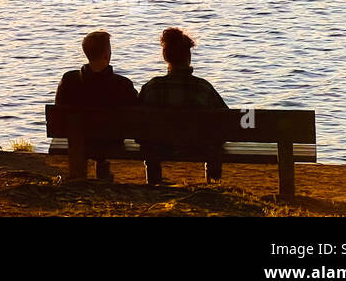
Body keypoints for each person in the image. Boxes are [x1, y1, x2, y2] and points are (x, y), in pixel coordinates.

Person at [138, 27, 228, 186]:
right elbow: (226, 118)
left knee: (149, 141)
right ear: (189, 57)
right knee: (215, 141)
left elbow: (136, 123)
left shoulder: (151, 87)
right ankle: (213, 183)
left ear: (165, 56)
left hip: (159, 146)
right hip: (198, 146)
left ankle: (153, 181)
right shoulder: (202, 87)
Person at [54, 30, 138, 182]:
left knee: (78, 132)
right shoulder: (122, 84)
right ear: (107, 55)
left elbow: (58, 108)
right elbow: (137, 114)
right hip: (112, 140)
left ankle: (81, 176)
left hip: (78, 139)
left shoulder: (69, 80)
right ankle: (102, 167)